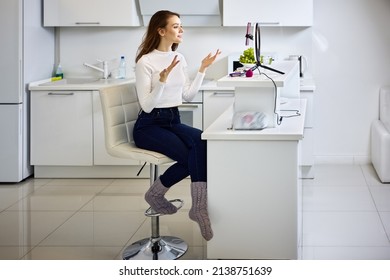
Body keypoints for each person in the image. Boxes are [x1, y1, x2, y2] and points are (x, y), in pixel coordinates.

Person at [133, 10, 221, 241]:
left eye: (181, 26)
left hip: (173, 120)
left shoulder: (179, 58)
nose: (181, 30)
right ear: (161, 31)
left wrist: (202, 69)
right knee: (189, 157)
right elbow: (147, 106)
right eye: (176, 26)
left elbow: (188, 96)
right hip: (149, 126)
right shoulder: (145, 62)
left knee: (202, 142)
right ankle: (167, 197)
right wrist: (161, 81)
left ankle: (195, 206)